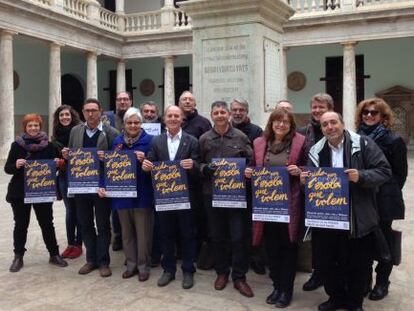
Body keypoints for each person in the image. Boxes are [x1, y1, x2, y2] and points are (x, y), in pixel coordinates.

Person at [301, 111, 391, 311]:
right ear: (321, 128)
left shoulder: (363, 144)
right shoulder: (316, 150)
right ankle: (335, 298)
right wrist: (304, 182)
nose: (330, 127)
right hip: (327, 217)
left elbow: (384, 171)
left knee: (357, 265)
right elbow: (311, 181)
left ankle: (354, 303)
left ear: (342, 123)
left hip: (356, 217)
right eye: (325, 124)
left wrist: (361, 176)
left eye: (333, 122)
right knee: (327, 263)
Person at [247, 107, 307, 307]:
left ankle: (286, 290)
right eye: (277, 121)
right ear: (271, 123)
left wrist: (299, 171)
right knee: (271, 248)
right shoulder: (259, 143)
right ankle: (276, 286)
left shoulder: (301, 142)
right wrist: (249, 173)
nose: (281, 125)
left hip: (290, 204)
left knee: (288, 248)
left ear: (291, 125)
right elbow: (254, 168)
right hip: (267, 205)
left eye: (286, 122)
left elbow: (311, 168)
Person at [199, 101, 254, 298]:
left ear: (229, 114)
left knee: (239, 237)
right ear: (212, 115)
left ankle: (239, 277)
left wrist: (248, 170)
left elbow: (251, 161)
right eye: (216, 112)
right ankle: (222, 272)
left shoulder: (240, 137)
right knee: (217, 236)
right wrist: (204, 168)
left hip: (236, 196)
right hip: (211, 196)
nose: (220, 115)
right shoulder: (204, 138)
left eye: (223, 112)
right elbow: (197, 163)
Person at [142, 105, 199, 290]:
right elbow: (150, 161)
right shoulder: (156, 141)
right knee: (165, 234)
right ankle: (169, 270)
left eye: (177, 115)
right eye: (170, 115)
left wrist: (194, 165)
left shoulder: (192, 141)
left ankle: (188, 270)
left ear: (182, 118)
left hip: (185, 197)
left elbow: (198, 166)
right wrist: (147, 166)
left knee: (187, 235)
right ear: (165, 118)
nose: (173, 118)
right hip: (164, 198)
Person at [356, 98, 408, 301]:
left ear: (383, 117)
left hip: (383, 198)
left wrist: (386, 191)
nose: (369, 115)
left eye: (374, 113)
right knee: (364, 241)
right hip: (362, 196)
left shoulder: (393, 140)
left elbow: (400, 174)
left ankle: (382, 281)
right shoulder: (354, 137)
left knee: (384, 241)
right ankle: (364, 280)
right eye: (365, 112)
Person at [63, 98, 119, 277]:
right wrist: (67, 155)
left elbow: (118, 161)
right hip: (81, 186)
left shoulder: (111, 132)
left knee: (103, 225)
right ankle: (91, 260)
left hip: (101, 187)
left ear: (100, 111)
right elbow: (73, 157)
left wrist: (107, 157)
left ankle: (103, 261)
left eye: (94, 110)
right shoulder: (75, 131)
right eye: (87, 110)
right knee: (85, 224)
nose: (90, 113)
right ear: (83, 112)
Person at [5, 113, 68, 272]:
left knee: (47, 223)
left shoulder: (49, 145)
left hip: (42, 191)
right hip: (20, 192)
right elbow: (8, 168)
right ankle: (18, 256)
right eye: (30, 125)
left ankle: (54, 254)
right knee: (21, 224)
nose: (33, 128)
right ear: (25, 127)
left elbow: (61, 164)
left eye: (36, 125)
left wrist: (57, 162)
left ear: (41, 127)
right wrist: (17, 164)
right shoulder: (17, 145)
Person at [99, 107, 154, 282]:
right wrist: (103, 186)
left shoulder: (151, 141)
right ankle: (131, 264)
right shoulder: (116, 142)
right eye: (129, 122)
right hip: (121, 195)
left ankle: (143, 266)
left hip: (142, 194)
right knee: (127, 233)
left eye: (136, 122)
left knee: (143, 233)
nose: (133, 125)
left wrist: (145, 159)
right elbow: (109, 168)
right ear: (124, 124)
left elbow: (158, 166)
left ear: (141, 124)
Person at [298, 92, 334, 291]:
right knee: (317, 236)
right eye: (315, 107)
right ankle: (318, 273)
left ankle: (333, 274)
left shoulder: (336, 129)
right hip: (310, 192)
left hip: (335, 193)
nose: (317, 110)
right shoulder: (303, 132)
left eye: (322, 107)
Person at [229, 97, 265, 275]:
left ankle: (256, 258)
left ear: (246, 111)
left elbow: (259, 157)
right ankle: (235, 259)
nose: (237, 113)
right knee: (235, 228)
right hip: (229, 188)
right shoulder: (224, 129)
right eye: (234, 109)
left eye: (241, 110)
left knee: (252, 224)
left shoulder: (256, 131)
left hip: (251, 186)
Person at [178, 90, 212, 270]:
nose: (188, 102)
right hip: (173, 183)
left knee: (197, 219)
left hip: (196, 182)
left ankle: (198, 253)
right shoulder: (173, 121)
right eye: (184, 99)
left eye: (191, 99)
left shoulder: (203, 123)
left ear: (195, 103)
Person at [52, 105, 83, 259]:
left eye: (67, 115)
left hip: (80, 176)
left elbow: (85, 154)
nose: (64, 117)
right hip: (64, 176)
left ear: (72, 116)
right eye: (61, 115)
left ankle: (79, 244)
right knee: (70, 210)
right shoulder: (55, 136)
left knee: (80, 210)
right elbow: (51, 156)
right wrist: (57, 161)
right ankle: (71, 243)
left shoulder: (80, 132)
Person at [110, 91, 133, 251]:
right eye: (120, 100)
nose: (122, 102)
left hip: (134, 169)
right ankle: (117, 235)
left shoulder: (136, 117)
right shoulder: (108, 119)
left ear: (131, 101)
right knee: (116, 207)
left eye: (125, 99)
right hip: (115, 169)